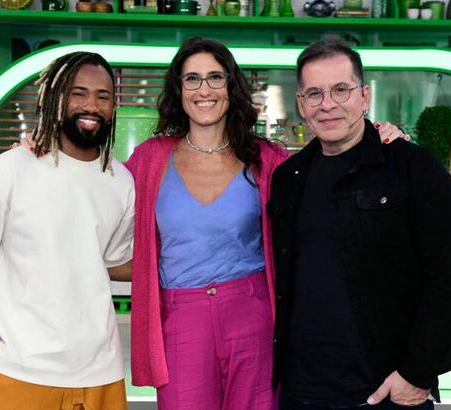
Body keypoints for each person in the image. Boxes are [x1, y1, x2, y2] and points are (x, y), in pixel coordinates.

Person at [125, 37, 408, 410]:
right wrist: (38, 153)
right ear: (178, 90)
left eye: (215, 77)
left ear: (232, 86)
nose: (204, 89)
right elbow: (96, 196)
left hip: (253, 316)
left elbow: (325, 174)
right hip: (181, 318)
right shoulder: (149, 159)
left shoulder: (267, 158)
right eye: (191, 79)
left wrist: (377, 135)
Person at [268, 39, 451, 410]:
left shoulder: (414, 169)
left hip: (385, 390)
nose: (327, 103)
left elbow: (450, 280)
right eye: (314, 93)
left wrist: (417, 372)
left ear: (364, 96)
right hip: (303, 389)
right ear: (301, 104)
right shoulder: (287, 178)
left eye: (340, 89)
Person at [0, 52, 134, 410]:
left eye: (103, 96)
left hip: (102, 373)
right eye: (78, 93)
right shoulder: (10, 169)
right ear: (56, 99)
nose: (91, 105)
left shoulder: (122, 181)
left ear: (113, 106)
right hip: (22, 373)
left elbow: (110, 263)